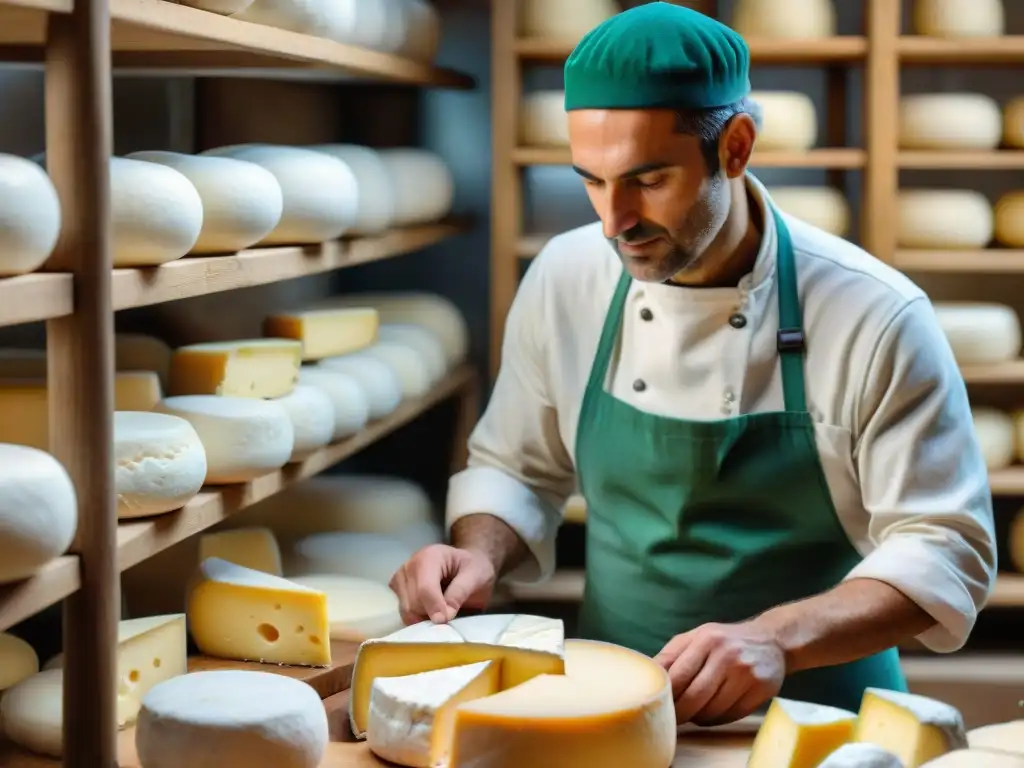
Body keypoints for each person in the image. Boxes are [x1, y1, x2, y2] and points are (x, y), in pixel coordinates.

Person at [388, 2, 996, 725]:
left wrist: (778, 639)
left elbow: (944, 546)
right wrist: (480, 553)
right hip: (612, 707)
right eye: (591, 181)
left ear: (735, 147)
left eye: (647, 181)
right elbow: (519, 467)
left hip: (826, 715)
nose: (613, 221)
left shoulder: (874, 313)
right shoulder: (566, 275)